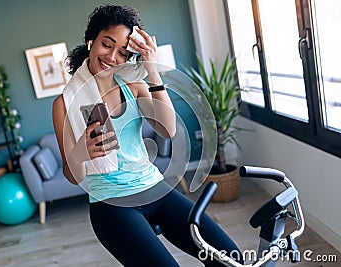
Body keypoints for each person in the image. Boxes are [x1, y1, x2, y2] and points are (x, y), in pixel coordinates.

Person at [53, 4, 242, 267]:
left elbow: (168, 129)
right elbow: (73, 176)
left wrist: (153, 71)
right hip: (111, 206)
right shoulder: (64, 104)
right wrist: (80, 153)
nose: (112, 57)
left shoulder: (135, 86)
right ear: (90, 41)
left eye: (123, 52)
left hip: (155, 188)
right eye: (106, 45)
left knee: (231, 259)